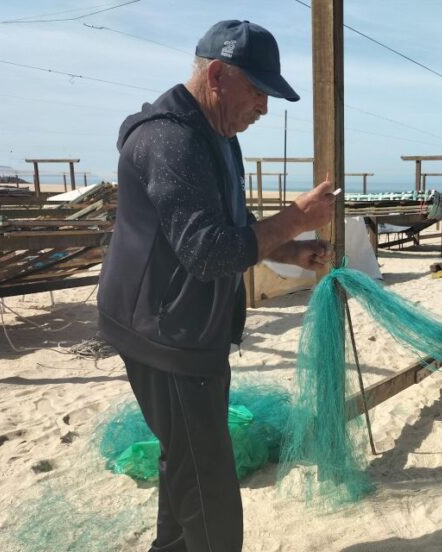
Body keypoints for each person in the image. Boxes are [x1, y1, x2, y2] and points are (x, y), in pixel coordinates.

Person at [97, 20, 335, 552]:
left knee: (186, 457)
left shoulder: (217, 135)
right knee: (209, 481)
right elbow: (209, 253)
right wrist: (296, 219)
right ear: (218, 75)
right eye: (258, 91)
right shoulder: (169, 139)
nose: (265, 108)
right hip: (162, 334)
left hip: (188, 329)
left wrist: (286, 248)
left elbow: (229, 223)